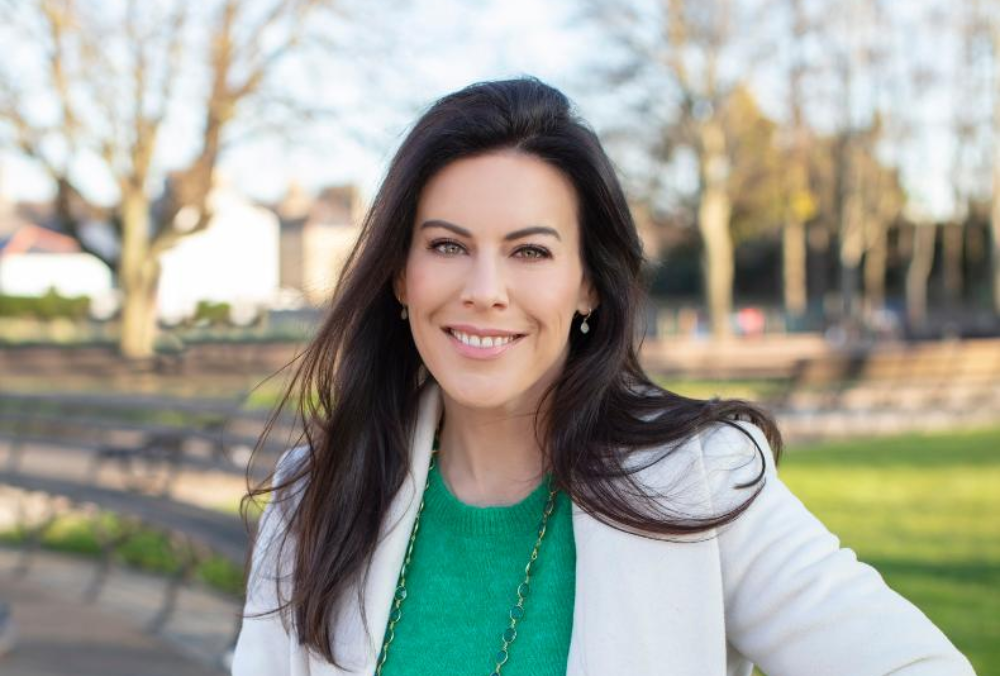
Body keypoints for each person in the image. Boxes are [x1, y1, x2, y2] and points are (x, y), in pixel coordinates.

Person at [231, 77, 975, 676]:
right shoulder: (312, 500)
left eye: (530, 252)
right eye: (448, 246)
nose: (485, 288)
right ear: (400, 275)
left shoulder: (699, 478)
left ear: (589, 284)